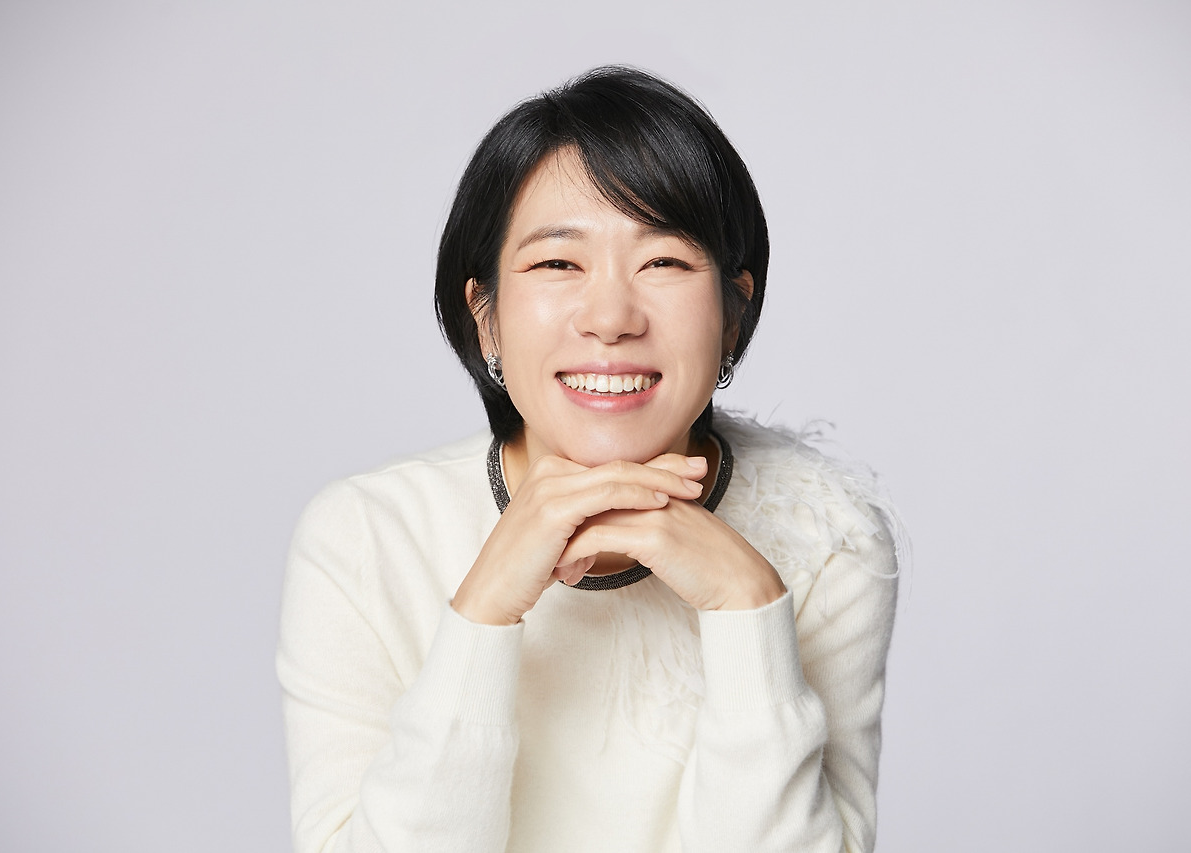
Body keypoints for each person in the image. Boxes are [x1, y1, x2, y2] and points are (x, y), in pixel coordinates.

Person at [277, 66, 906, 853]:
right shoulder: (365, 538)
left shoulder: (827, 537)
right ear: (486, 318)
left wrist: (747, 606)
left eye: (664, 262)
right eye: (557, 264)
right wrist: (484, 610)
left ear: (732, 315)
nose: (610, 318)